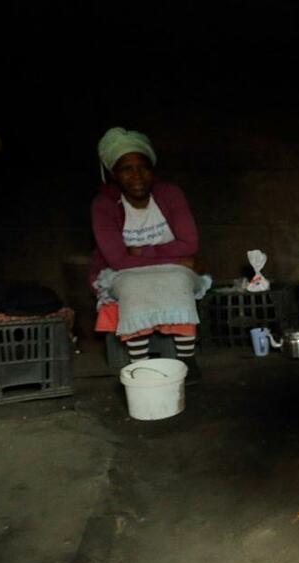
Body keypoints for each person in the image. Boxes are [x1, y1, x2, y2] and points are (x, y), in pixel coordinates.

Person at [90, 127, 209, 382]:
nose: (137, 176)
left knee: (177, 280)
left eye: (143, 167)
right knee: (133, 285)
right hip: (124, 272)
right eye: (126, 169)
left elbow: (189, 244)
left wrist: (144, 251)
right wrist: (174, 258)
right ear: (114, 175)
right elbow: (118, 260)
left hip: (169, 268)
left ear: (152, 170)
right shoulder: (104, 205)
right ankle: (140, 366)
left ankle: (187, 359)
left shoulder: (170, 194)